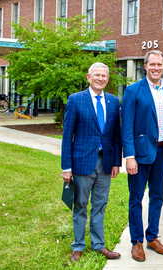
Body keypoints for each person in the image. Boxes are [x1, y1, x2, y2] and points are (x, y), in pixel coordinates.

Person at [121, 50, 163, 262]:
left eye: (160, 64)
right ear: (145, 66)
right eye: (152, 64)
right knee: (136, 198)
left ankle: (152, 237)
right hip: (140, 154)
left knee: (157, 196)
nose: (156, 68)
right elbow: (126, 126)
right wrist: (129, 156)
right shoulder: (133, 91)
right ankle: (136, 242)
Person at [61, 62, 122, 262]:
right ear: (89, 77)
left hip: (105, 163)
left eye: (104, 76)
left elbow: (115, 135)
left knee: (100, 205)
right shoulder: (76, 100)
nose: (101, 78)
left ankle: (98, 245)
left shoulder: (114, 102)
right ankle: (78, 246)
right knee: (80, 204)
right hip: (82, 163)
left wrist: (116, 163)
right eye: (97, 75)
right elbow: (67, 135)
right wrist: (66, 168)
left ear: (107, 79)